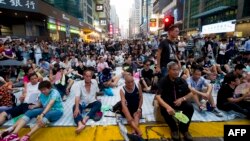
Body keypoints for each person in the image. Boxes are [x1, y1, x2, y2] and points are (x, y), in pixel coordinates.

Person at [156, 61, 194, 141]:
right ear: (168, 70)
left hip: (179, 102)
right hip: (168, 103)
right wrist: (168, 107)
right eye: (174, 70)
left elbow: (190, 94)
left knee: (190, 107)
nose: (176, 72)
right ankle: (174, 129)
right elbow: (158, 97)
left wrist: (182, 99)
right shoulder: (163, 81)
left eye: (178, 70)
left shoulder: (181, 81)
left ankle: (184, 129)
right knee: (164, 110)